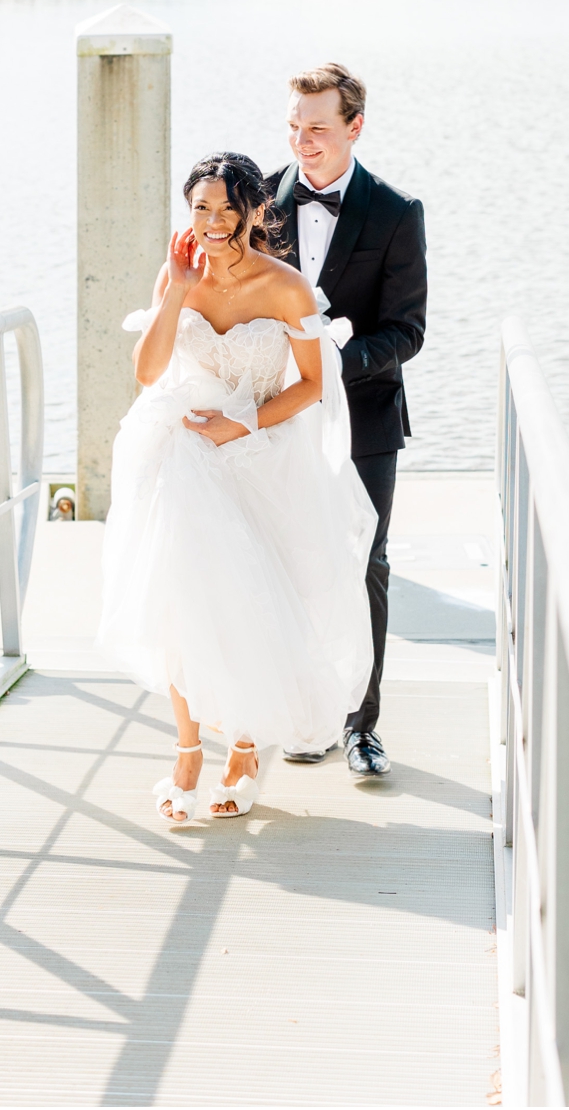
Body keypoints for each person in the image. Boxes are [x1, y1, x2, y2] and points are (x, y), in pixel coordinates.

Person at [97, 152, 376, 823]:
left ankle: (245, 747)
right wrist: (174, 292)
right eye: (201, 208)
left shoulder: (286, 288)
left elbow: (310, 385)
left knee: (249, 600)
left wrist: (240, 424)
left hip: (259, 449)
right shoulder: (180, 270)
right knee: (177, 599)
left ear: (255, 211)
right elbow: (148, 370)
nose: (213, 223)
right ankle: (188, 748)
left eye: (226, 209)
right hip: (181, 447)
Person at [263, 64, 427, 779]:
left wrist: (335, 361)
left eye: (318, 129)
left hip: (365, 416)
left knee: (365, 565)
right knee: (284, 562)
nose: (304, 142)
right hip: (277, 418)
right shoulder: (260, 199)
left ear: (354, 127)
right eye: (295, 127)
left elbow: (407, 331)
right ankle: (303, 715)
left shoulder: (395, 211)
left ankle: (364, 726)